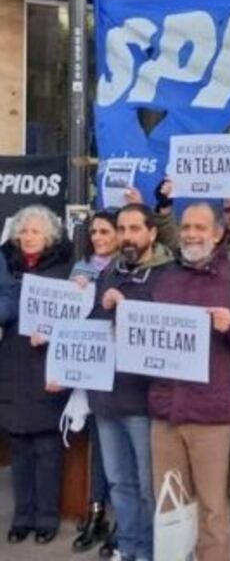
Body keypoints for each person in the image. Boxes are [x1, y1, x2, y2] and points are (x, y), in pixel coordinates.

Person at [145, 179, 230, 561]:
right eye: (186, 227)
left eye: (199, 227)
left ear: (218, 233)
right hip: (165, 414)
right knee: (170, 510)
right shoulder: (165, 278)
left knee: (213, 514)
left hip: (213, 417)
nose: (191, 234)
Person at [90, 204, 174, 561]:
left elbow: (167, 327)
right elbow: (92, 324)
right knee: (119, 483)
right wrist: (100, 305)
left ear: (152, 233)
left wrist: (129, 308)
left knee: (146, 486)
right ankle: (129, 546)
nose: (127, 236)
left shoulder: (168, 274)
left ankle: (151, 552)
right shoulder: (109, 271)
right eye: (122, 229)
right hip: (106, 397)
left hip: (144, 400)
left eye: (134, 229)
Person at [0, 205, 73, 545]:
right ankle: (22, 516)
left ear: (50, 237)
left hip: (48, 367)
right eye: (24, 231)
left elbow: (76, 323)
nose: (28, 237)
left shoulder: (65, 271)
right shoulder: (6, 268)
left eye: (36, 232)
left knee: (47, 450)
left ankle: (46, 518)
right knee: (19, 449)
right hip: (13, 366)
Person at [69, 211, 119, 555]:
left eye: (106, 231)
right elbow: (68, 318)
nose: (99, 238)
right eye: (95, 232)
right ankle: (96, 510)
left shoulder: (126, 268)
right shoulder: (81, 269)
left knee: (122, 450)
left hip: (123, 371)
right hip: (91, 368)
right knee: (100, 445)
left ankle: (120, 518)